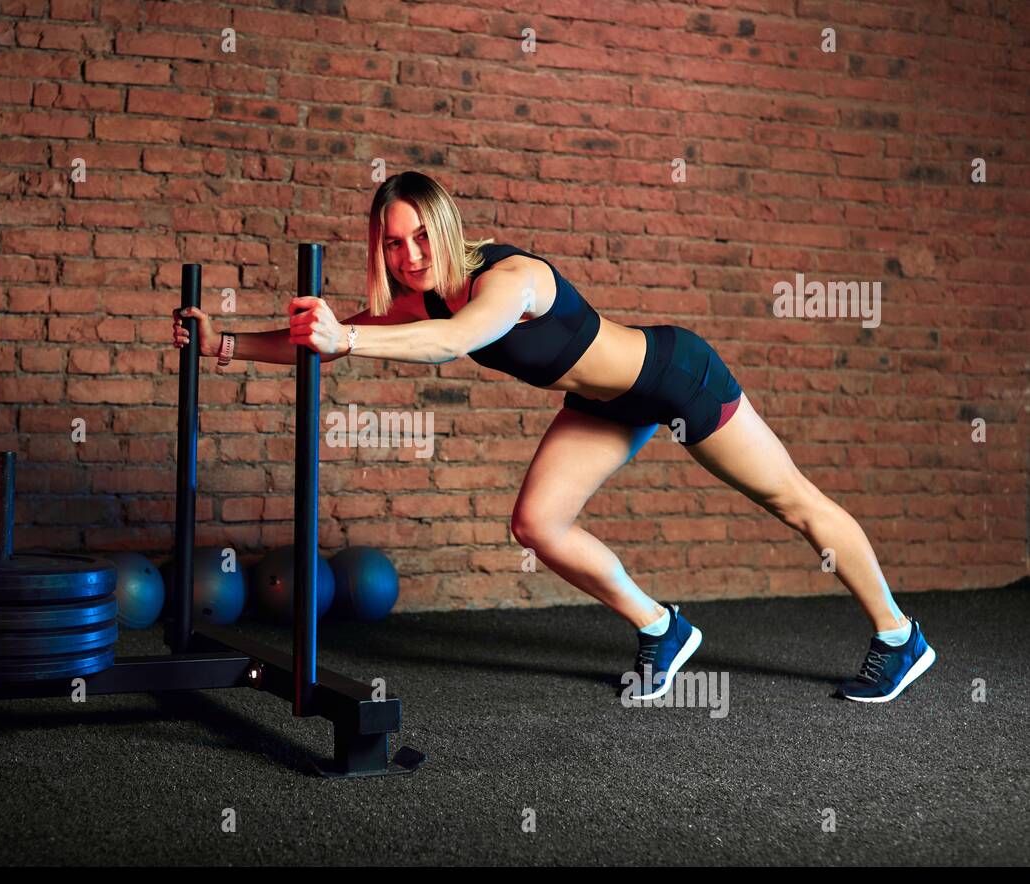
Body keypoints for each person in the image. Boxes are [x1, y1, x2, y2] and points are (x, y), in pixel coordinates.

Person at [172, 171, 936, 704]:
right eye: (392, 245)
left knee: (794, 503)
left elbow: (453, 341)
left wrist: (348, 344)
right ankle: (662, 630)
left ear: (444, 227)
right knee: (535, 525)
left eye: (417, 240)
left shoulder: (513, 280)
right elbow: (333, 335)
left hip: (675, 376)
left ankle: (899, 635)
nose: (407, 258)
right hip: (604, 403)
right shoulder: (418, 298)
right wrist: (226, 345)